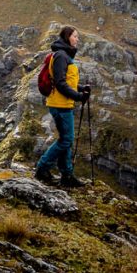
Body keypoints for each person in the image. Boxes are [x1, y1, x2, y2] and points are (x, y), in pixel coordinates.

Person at [34, 25, 91, 188]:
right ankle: (42, 168)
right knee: (66, 140)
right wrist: (79, 97)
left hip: (63, 103)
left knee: (66, 139)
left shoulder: (64, 55)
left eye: (77, 37)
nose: (77, 39)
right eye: (75, 36)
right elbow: (59, 83)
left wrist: (81, 88)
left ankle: (67, 175)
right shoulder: (61, 56)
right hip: (60, 105)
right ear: (67, 37)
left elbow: (67, 82)